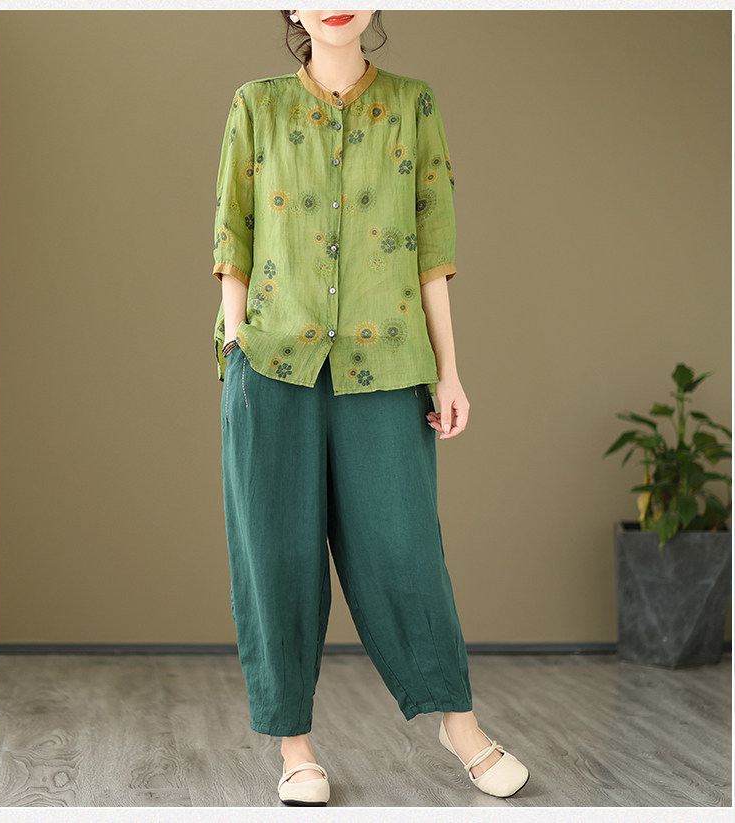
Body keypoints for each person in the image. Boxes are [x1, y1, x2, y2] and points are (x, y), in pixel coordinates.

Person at [211, 9, 529, 806]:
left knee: (406, 548)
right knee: (276, 557)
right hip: (271, 363)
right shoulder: (256, 105)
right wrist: (236, 338)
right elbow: (232, 234)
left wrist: (449, 370)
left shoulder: (415, 105)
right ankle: (295, 748)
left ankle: (461, 726)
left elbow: (433, 248)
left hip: (386, 361)